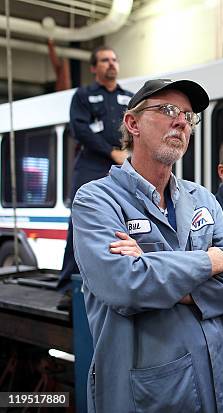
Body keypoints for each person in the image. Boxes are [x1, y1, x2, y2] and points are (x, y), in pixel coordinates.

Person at [72, 79, 223, 412]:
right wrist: (211, 261)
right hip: (149, 394)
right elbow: (127, 284)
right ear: (132, 123)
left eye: (188, 115)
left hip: (220, 385)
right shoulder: (96, 200)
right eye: (167, 110)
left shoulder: (202, 200)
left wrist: (159, 270)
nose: (181, 121)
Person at [57, 45, 133, 303]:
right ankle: (68, 286)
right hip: (91, 164)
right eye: (104, 60)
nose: (111, 64)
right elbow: (80, 130)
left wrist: (127, 154)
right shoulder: (83, 96)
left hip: (123, 165)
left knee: (126, 220)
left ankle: (120, 279)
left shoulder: (129, 98)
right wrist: (111, 152)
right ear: (93, 68)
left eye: (114, 59)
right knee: (80, 221)